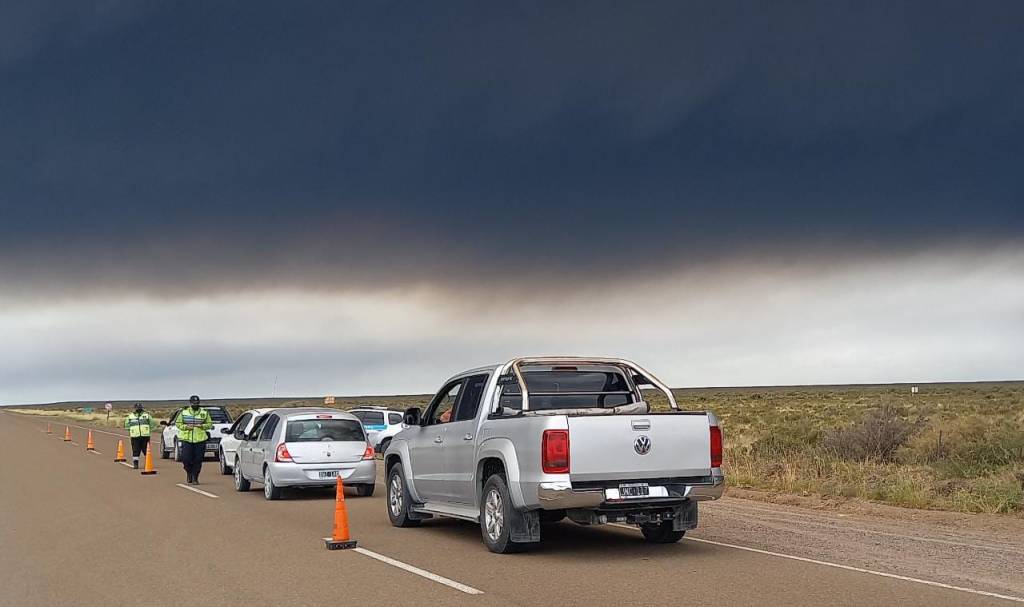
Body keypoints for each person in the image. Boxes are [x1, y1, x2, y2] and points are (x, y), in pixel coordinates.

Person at [176, 395, 213, 485]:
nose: (195, 404)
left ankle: (195, 477)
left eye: (197, 403)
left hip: (200, 439)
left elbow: (209, 424)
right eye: (193, 403)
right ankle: (189, 472)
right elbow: (178, 423)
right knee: (186, 459)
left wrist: (202, 426)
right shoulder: (184, 412)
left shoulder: (204, 413)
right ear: (190, 403)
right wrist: (185, 427)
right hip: (187, 439)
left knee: (198, 460)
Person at [123, 403, 154, 469]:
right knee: (135, 451)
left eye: (139, 407)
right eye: (137, 408)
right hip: (135, 436)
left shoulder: (147, 415)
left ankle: (148, 463)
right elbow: (126, 425)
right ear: (135, 408)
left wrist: (148, 430)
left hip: (145, 436)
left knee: (146, 450)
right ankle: (135, 464)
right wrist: (132, 430)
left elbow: (152, 424)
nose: (138, 409)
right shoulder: (130, 416)